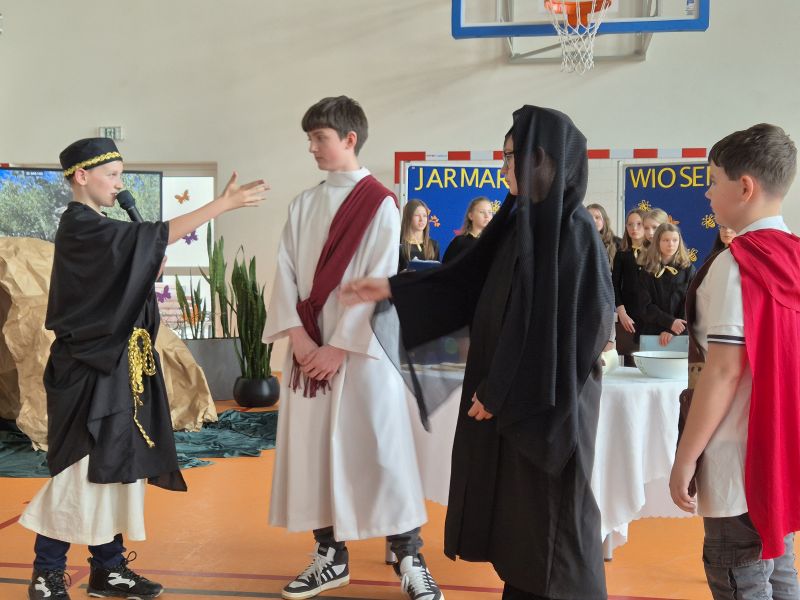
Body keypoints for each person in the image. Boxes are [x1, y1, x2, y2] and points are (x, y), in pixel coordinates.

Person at [342, 105, 614, 600]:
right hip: (513, 399)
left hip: (548, 407)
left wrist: (500, 389)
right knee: (521, 522)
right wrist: (392, 288)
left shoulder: (573, 232)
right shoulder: (518, 223)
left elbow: (569, 332)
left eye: (512, 156)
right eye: (503, 156)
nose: (503, 167)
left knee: (556, 527)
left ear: (543, 160)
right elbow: (465, 282)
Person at [19, 138, 267, 600]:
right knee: (81, 469)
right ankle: (46, 573)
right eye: (112, 175)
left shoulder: (98, 227)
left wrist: (142, 273)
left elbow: (115, 289)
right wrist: (222, 204)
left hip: (119, 367)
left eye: (120, 175)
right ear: (81, 176)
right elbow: (152, 237)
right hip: (89, 371)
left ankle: (107, 569)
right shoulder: (80, 225)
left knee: (117, 464)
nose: (120, 184)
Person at [261, 96, 442, 600]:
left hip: (363, 355)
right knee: (315, 449)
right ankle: (330, 556)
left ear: (349, 139)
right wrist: (300, 340)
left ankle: (409, 556)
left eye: (320, 138)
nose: (312, 148)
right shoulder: (303, 204)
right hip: (307, 352)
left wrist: (338, 348)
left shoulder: (381, 203)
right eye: (310, 139)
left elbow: (379, 281)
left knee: (383, 449)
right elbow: (285, 274)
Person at [669, 123, 800, 598]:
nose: (707, 193)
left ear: (744, 187)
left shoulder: (735, 266)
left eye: (712, 181)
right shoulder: (794, 256)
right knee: (779, 569)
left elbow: (723, 372)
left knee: (740, 576)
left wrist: (685, 458)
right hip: (779, 448)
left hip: (735, 457)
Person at [634, 223, 695, 346]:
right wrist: (669, 322)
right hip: (652, 331)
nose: (671, 244)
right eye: (666, 240)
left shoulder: (688, 269)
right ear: (657, 242)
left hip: (680, 332)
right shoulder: (646, 270)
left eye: (675, 240)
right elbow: (644, 305)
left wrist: (673, 329)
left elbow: (691, 302)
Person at [611, 207, 647, 363]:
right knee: (631, 361)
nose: (634, 228)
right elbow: (614, 285)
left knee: (650, 359)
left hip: (651, 316)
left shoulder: (654, 252)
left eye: (639, 224)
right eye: (630, 224)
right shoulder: (622, 253)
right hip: (629, 316)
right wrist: (622, 313)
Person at [442, 196, 493, 263]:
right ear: (471, 216)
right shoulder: (459, 242)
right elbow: (446, 266)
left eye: (490, 212)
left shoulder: (494, 242)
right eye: (482, 212)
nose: (487, 216)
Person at [399, 199, 440, 271]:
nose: (421, 219)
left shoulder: (434, 245)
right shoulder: (399, 245)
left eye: (424, 216)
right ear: (408, 217)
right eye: (417, 215)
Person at [586, 203, 621, 270]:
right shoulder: (578, 242)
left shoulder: (618, 243)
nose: (593, 220)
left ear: (604, 221)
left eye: (597, 217)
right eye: (589, 217)